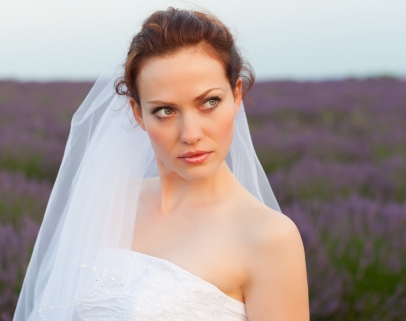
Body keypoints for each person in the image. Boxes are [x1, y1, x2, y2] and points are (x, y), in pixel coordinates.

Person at [13, 7, 309, 321]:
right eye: (165, 111)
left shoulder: (269, 238)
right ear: (137, 112)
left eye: (209, 102)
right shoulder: (107, 203)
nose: (191, 134)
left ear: (236, 95)